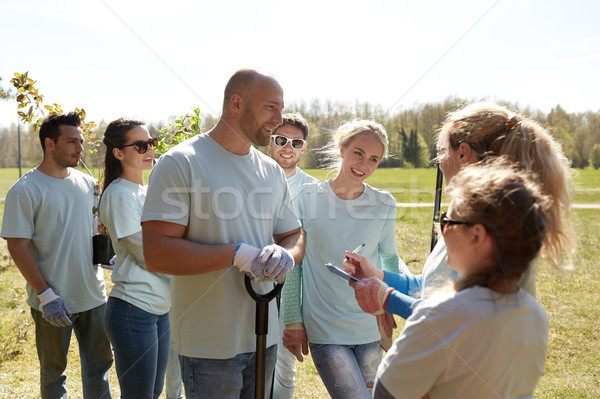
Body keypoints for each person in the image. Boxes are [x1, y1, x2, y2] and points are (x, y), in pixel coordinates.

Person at [140, 69, 305, 399]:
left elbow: (294, 234)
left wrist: (287, 253)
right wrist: (234, 254)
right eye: (270, 107)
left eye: (281, 108)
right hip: (209, 345)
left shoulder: (270, 170)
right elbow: (157, 252)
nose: (279, 118)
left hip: (264, 336)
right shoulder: (181, 162)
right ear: (237, 102)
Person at [344, 102, 575, 319]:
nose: (440, 163)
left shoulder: (481, 229)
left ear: (463, 153)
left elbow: (453, 319)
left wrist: (387, 298)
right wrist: (379, 276)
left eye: (442, 153)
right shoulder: (470, 218)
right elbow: (436, 285)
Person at [362, 160, 567, 398]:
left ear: (477, 235)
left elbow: (386, 393)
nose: (442, 230)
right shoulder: (536, 315)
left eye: (448, 221)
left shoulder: (441, 313)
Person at [282, 120, 410, 399]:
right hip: (325, 329)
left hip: (371, 327)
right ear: (342, 148)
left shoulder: (385, 203)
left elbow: (389, 258)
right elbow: (296, 265)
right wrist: (291, 320)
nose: (364, 164)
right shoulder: (305, 198)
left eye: (373, 159)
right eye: (358, 153)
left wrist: (393, 298)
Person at [1, 112, 113, 398]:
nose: (80, 148)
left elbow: (92, 232)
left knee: (99, 367)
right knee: (53, 373)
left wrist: (107, 255)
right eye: (71, 141)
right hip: (52, 300)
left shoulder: (87, 184)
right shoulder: (25, 190)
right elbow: (17, 246)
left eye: (81, 141)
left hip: (93, 296)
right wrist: (46, 295)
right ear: (49, 143)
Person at [100, 118, 171, 398]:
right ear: (118, 153)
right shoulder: (118, 195)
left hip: (160, 310)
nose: (149, 149)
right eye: (140, 145)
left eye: (151, 143)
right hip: (134, 311)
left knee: (153, 392)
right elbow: (150, 256)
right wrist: (199, 265)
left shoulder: (144, 191)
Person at [268, 113, 318, 399]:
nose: (288, 147)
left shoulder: (313, 190)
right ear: (270, 141)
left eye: (296, 142)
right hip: (249, 283)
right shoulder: (250, 179)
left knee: (284, 368)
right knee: (249, 364)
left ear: (304, 147)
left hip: (290, 289)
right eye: (281, 139)